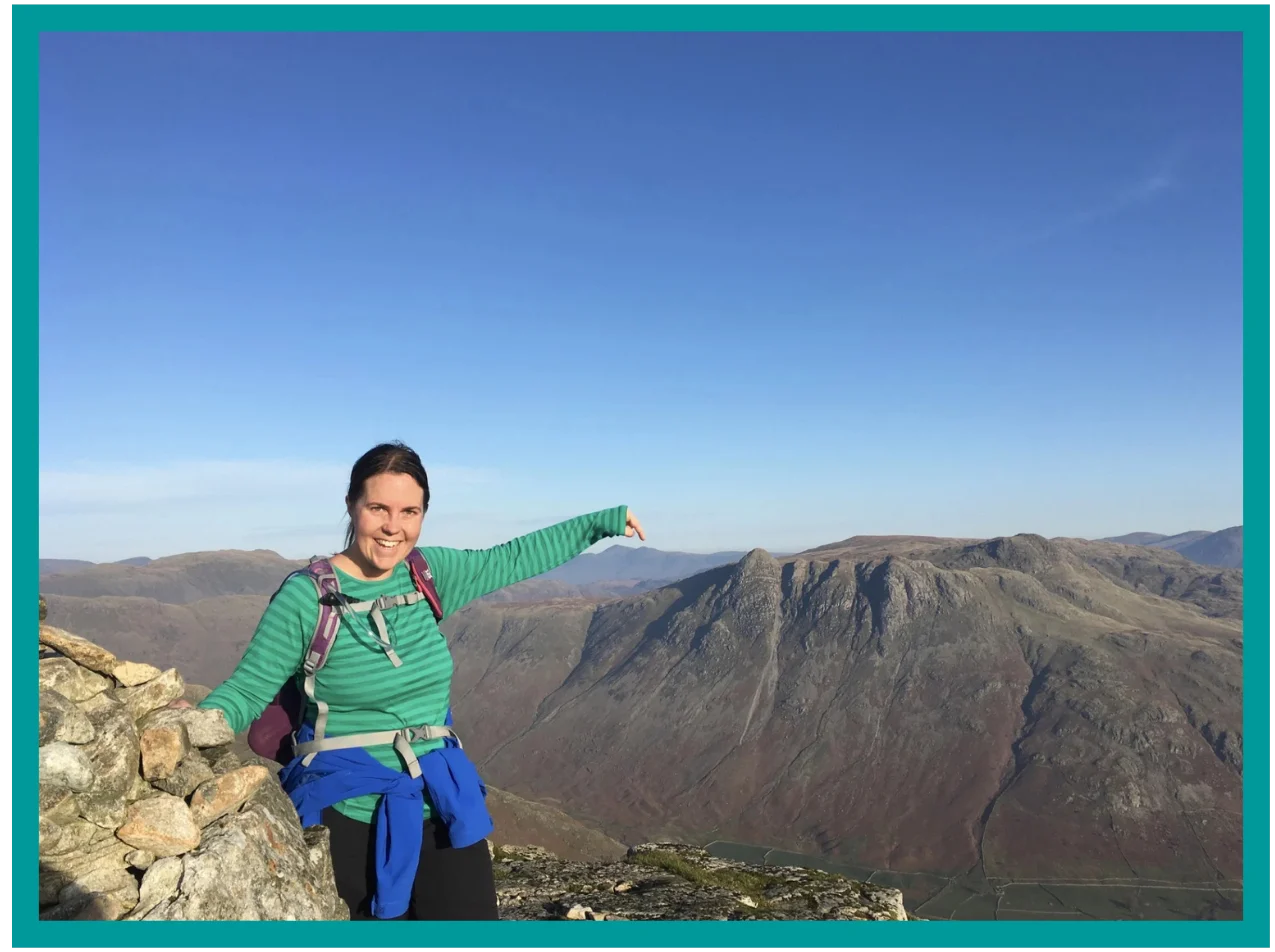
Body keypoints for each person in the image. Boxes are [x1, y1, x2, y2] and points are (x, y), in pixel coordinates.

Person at [180, 441, 645, 921]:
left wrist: (602, 521)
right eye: (378, 507)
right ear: (351, 506)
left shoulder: (428, 574)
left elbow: (513, 558)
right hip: (347, 807)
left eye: (409, 511)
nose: (393, 527)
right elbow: (248, 689)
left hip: (440, 796)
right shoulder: (306, 599)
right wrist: (186, 731)